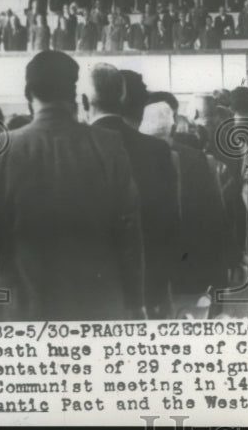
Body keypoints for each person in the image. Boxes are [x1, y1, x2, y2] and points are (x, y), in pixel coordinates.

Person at [0, 51, 143, 320]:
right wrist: (135, 302)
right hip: (100, 305)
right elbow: (129, 231)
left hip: (28, 307)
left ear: (28, 93)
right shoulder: (108, 145)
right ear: (73, 93)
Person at [86, 66, 179, 318]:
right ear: (122, 97)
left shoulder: (74, 148)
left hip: (91, 291)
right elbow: (170, 223)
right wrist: (161, 289)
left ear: (84, 101)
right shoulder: (156, 151)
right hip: (147, 285)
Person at [140, 96, 233, 296]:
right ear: (173, 129)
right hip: (194, 266)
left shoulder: (134, 159)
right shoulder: (197, 158)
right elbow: (215, 213)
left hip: (151, 269)